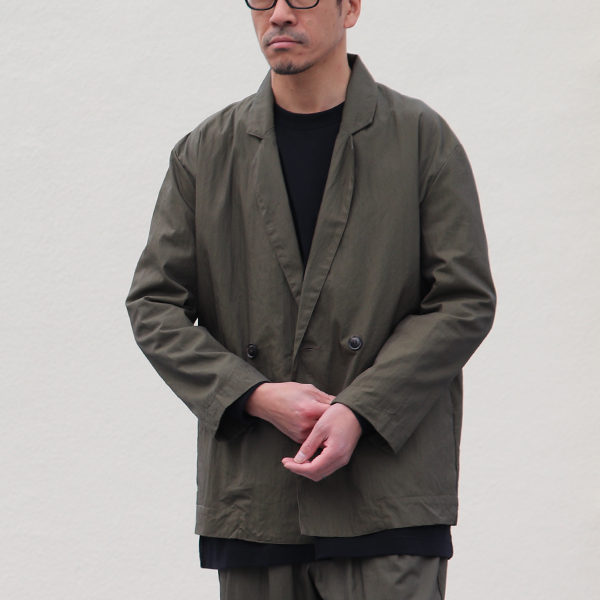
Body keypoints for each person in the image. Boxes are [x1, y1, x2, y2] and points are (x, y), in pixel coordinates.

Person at [126, 0, 496, 597]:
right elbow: (154, 306)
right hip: (257, 494)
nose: (278, 14)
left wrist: (361, 410)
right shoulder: (206, 152)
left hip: (387, 493)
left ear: (350, 8)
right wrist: (253, 395)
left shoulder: (420, 138)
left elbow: (462, 299)